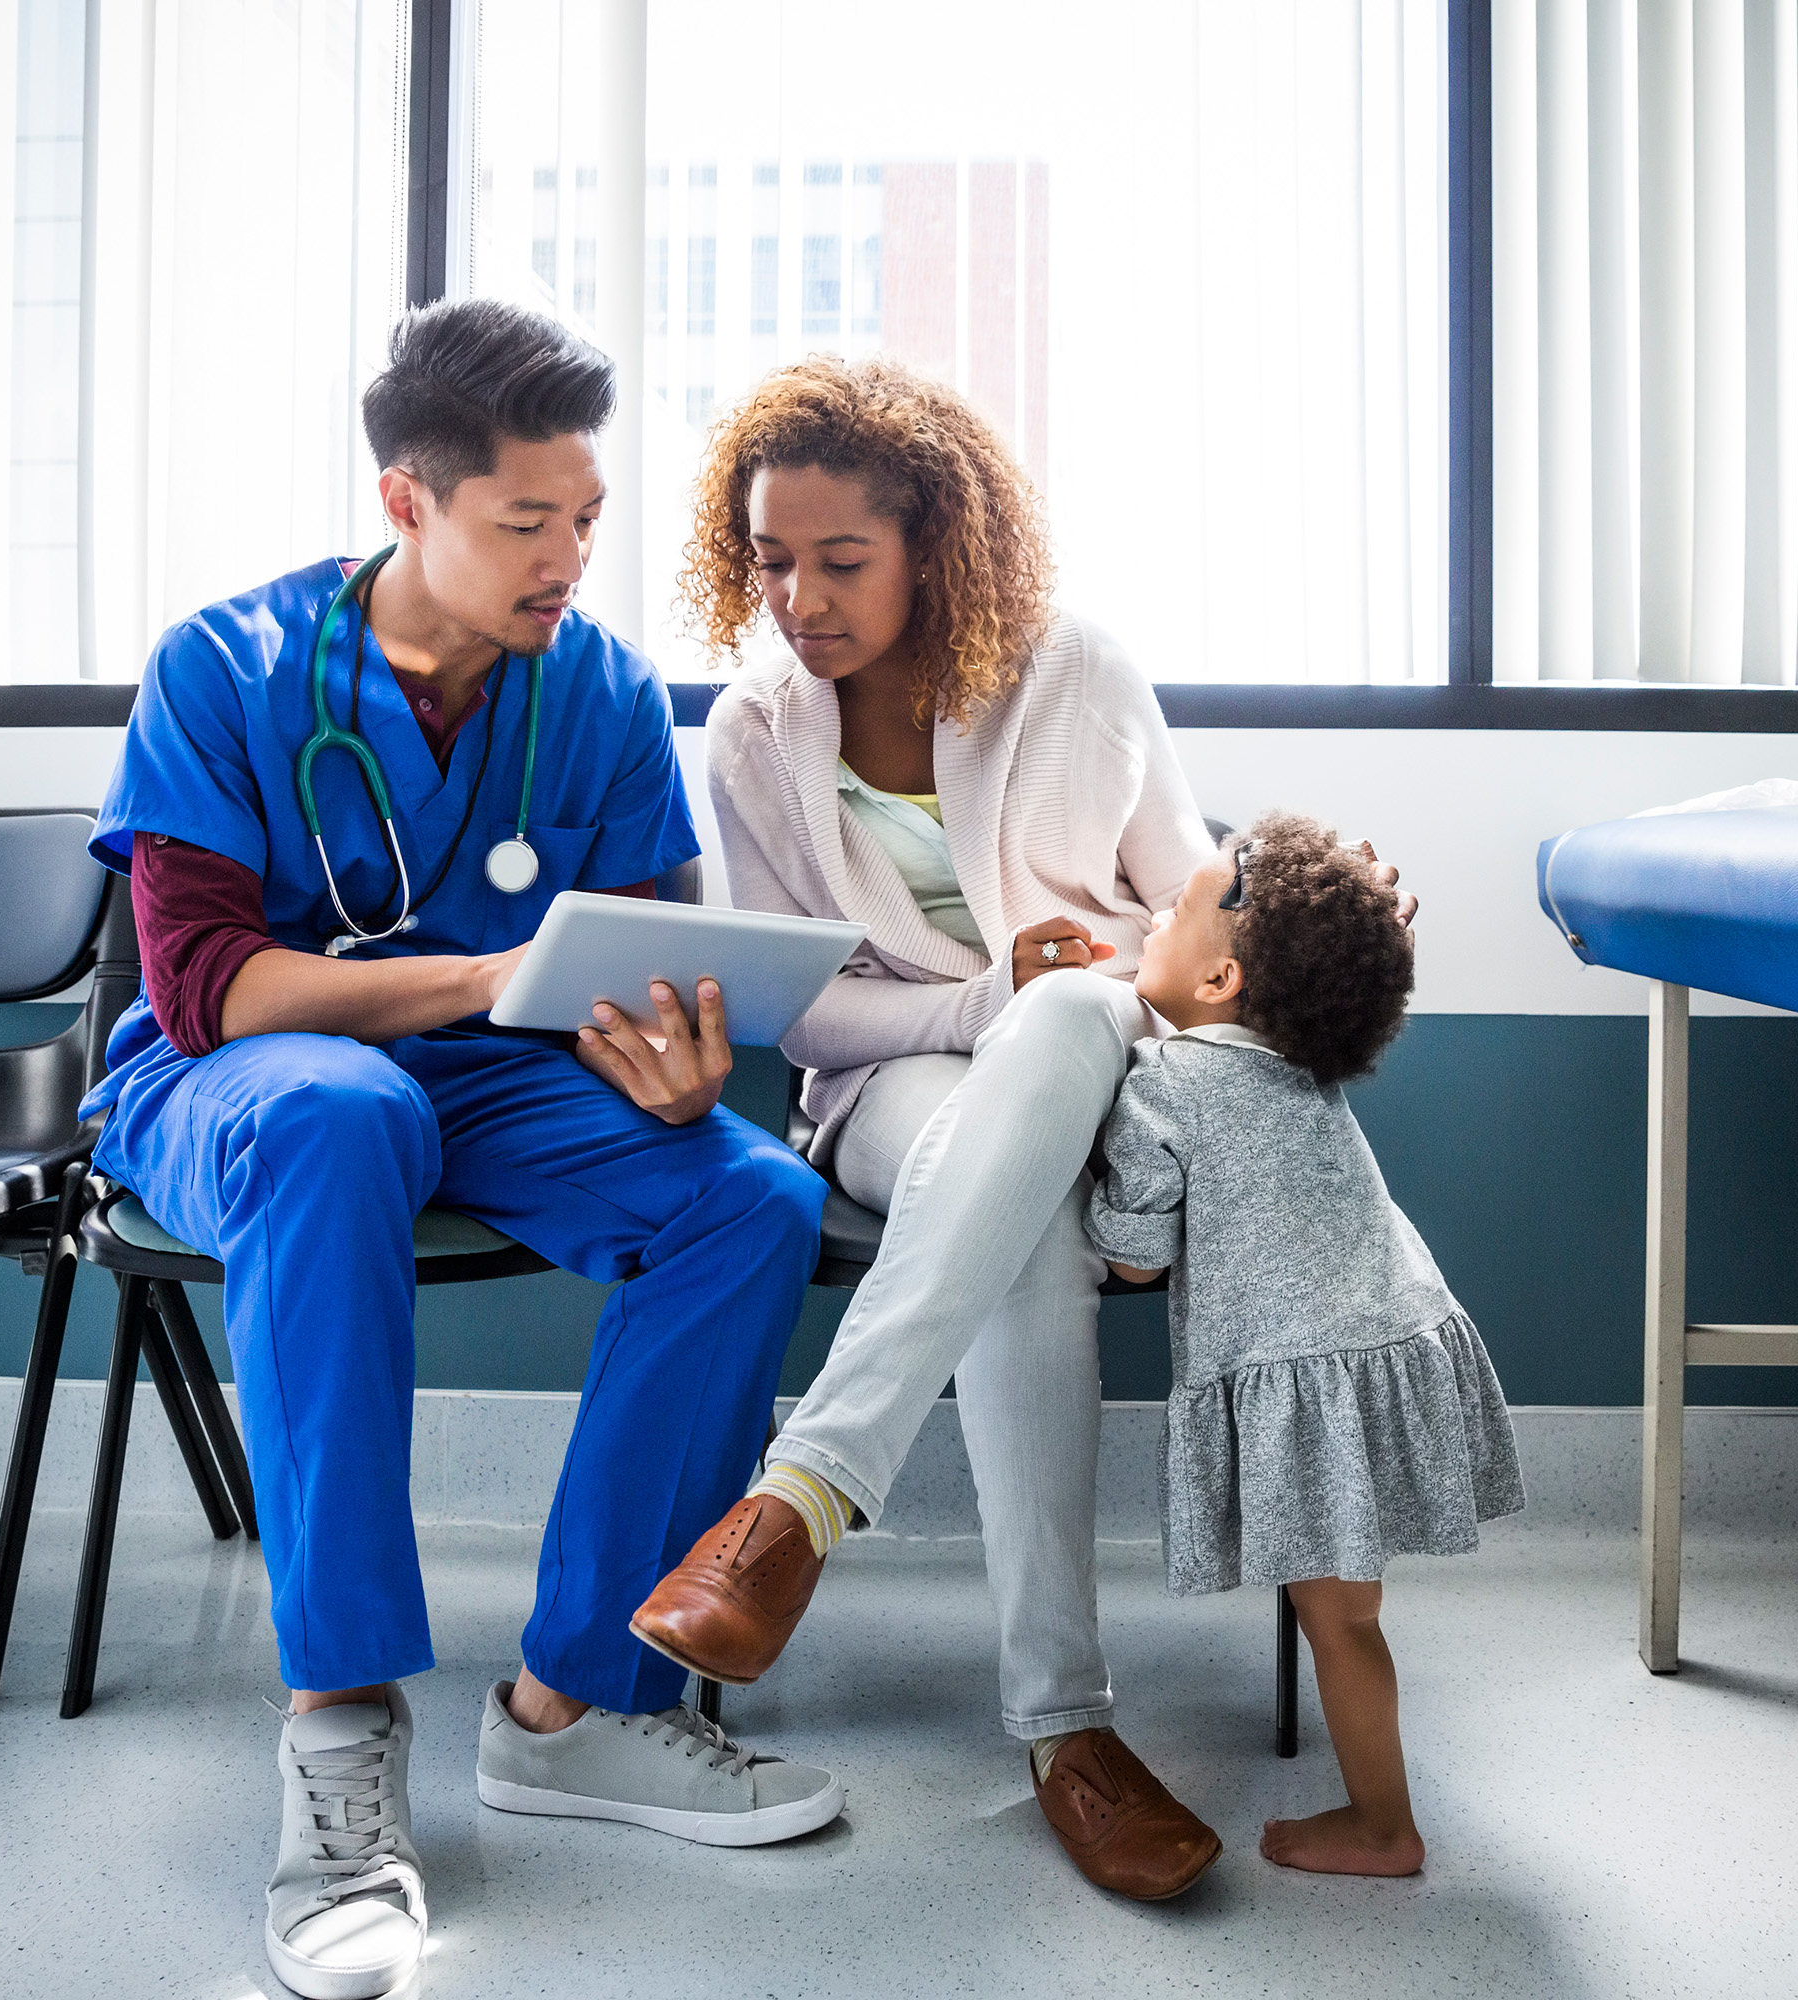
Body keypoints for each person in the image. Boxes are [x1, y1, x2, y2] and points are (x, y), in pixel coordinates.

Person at [83, 300, 840, 2000]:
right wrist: (480, 980)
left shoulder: (598, 691)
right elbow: (210, 986)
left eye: (585, 516)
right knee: (344, 1111)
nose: (571, 555)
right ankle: (341, 1739)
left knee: (749, 1196)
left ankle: (578, 1707)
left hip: (494, 1082)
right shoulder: (227, 667)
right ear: (408, 502)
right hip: (240, 1085)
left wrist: (665, 1061)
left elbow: (636, 962)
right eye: (528, 522)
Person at [628, 355, 1402, 1901]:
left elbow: (1191, 923)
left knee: (1061, 1022)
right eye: (772, 560)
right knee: (1021, 1176)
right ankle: (1066, 1730)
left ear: (934, 541)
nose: (801, 599)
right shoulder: (754, 733)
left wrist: (1292, 930)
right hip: (886, 1084)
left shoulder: (1077, 676)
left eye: (841, 561)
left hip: (1104, 1055)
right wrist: (978, 1004)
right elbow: (801, 1010)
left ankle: (796, 1504)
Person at [1091, 814, 1525, 1875]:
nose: (1151, 915)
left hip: (1309, 1368)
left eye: (1173, 911)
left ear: (1224, 975)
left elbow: (1137, 1259)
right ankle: (1382, 1815)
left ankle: (1384, 1826)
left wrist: (1092, 1180)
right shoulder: (1300, 1061)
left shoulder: (1166, 1085)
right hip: (1388, 1336)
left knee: (1341, 1625)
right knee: (1351, 1617)